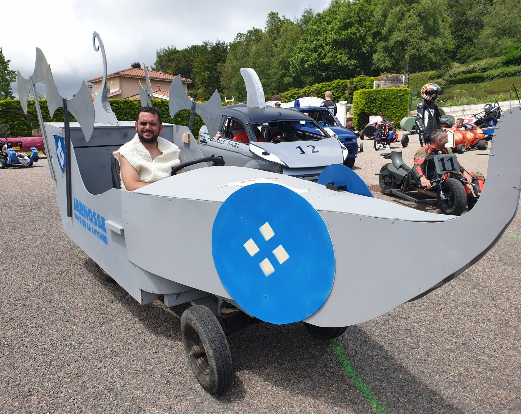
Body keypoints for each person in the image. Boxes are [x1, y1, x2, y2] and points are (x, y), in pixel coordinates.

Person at [113, 106, 182, 191]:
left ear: (160, 128)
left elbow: (182, 176)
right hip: (140, 197)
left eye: (152, 124)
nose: (147, 128)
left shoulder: (172, 149)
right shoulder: (127, 152)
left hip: (172, 195)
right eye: (143, 123)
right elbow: (132, 186)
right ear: (136, 126)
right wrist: (165, 190)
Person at [413, 129, 484, 201]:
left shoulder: (447, 150)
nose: (447, 141)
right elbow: (417, 166)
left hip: (451, 177)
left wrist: (465, 173)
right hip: (433, 180)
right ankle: (470, 199)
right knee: (455, 178)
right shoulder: (424, 151)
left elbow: (455, 164)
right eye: (446, 139)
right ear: (439, 140)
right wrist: (422, 178)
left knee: (477, 175)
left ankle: (481, 196)